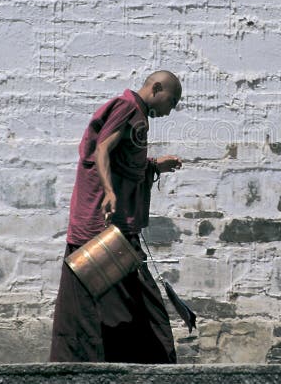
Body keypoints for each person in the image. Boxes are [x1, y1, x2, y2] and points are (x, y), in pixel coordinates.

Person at [49, 70, 183, 363]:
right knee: (116, 302)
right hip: (103, 226)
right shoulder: (126, 108)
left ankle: (133, 364)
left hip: (116, 227)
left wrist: (156, 166)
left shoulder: (137, 114)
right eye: (171, 102)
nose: (169, 111)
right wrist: (109, 191)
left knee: (125, 301)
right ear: (157, 88)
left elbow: (126, 162)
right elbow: (102, 150)